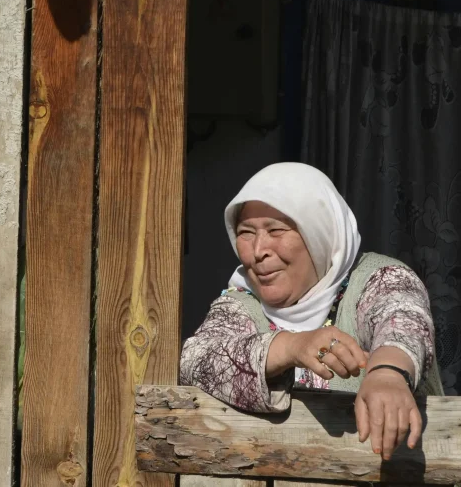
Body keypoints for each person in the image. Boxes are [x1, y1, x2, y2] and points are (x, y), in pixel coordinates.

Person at [180, 163, 442, 461]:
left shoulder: (379, 279)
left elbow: (403, 320)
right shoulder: (241, 303)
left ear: (318, 232)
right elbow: (196, 360)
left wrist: (388, 373)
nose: (258, 250)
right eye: (246, 233)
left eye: (276, 230)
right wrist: (294, 346)